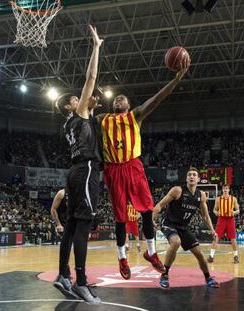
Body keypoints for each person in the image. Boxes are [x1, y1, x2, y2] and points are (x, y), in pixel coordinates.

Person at [97, 56, 190, 280]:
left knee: (147, 211)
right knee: (120, 217)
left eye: (123, 98)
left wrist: (176, 80)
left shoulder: (136, 115)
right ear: (113, 105)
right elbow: (82, 120)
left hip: (133, 165)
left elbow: (158, 98)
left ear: (128, 105)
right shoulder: (101, 118)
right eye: (117, 99)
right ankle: (122, 258)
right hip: (113, 168)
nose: (120, 99)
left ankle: (151, 252)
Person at [52, 25, 103, 305]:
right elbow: (91, 76)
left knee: (71, 226)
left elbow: (89, 128)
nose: (80, 97)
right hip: (85, 171)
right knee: (82, 227)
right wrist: (96, 47)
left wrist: (92, 111)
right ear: (72, 106)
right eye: (76, 98)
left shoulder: (69, 124)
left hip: (74, 172)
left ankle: (63, 275)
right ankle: (81, 282)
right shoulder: (78, 113)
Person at [153, 167, 219, 289]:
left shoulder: (201, 195)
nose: (192, 176)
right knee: (176, 242)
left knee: (199, 254)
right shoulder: (177, 190)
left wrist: (212, 230)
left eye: (194, 175)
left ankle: (208, 278)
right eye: (189, 175)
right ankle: (164, 275)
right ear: (187, 178)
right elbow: (160, 205)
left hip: (183, 227)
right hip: (169, 223)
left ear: (198, 179)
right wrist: (151, 219)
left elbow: (205, 215)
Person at [207, 184, 240, 264]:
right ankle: (211, 256)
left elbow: (238, 210)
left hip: (230, 219)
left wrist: (234, 212)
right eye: (224, 188)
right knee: (216, 237)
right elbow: (214, 210)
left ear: (229, 190)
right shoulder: (218, 199)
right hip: (221, 219)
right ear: (222, 190)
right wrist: (216, 213)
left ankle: (236, 256)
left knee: (233, 238)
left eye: (227, 188)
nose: (225, 190)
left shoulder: (233, 199)